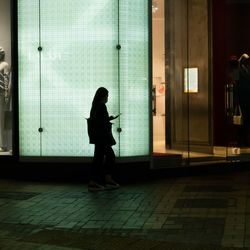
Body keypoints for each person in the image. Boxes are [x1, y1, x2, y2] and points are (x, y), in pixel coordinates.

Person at [88, 87, 120, 192]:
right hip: (103, 138)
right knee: (110, 156)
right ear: (103, 96)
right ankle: (107, 180)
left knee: (98, 158)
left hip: (97, 137)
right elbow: (103, 123)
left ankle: (95, 181)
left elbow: (98, 121)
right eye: (107, 96)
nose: (107, 98)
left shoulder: (94, 106)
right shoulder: (102, 106)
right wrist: (109, 122)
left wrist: (108, 118)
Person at [237, 54, 250, 146]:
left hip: (247, 97)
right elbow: (236, 84)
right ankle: (242, 139)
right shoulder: (237, 70)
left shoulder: (247, 70)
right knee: (243, 119)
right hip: (242, 97)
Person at [0, 47, 10, 152]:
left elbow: (6, 79)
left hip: (1, 93)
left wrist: (6, 95)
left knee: (1, 120)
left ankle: (3, 145)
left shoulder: (5, 65)